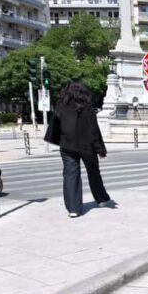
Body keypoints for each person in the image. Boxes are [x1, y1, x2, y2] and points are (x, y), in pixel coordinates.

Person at [44, 81, 111, 218]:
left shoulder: (61, 106)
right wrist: (100, 149)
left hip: (67, 146)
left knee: (70, 175)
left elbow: (55, 125)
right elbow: (93, 129)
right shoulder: (87, 107)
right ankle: (102, 199)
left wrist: (56, 140)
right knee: (93, 173)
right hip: (87, 146)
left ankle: (73, 209)